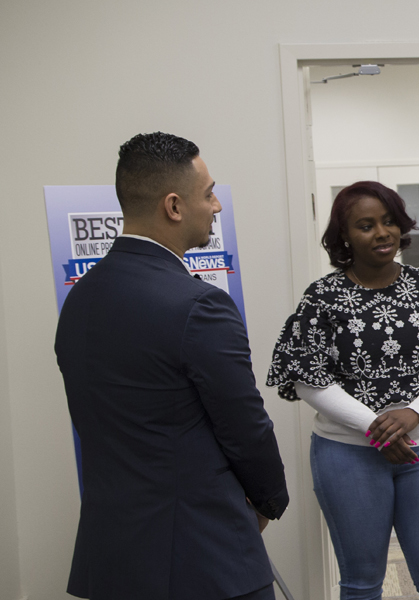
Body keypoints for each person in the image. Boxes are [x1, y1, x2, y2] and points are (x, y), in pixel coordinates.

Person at [54, 132, 290, 600]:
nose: (217, 206)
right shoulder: (201, 305)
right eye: (209, 193)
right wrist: (268, 502)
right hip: (203, 558)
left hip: (113, 559)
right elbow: (245, 426)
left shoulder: (79, 298)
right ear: (174, 206)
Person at [266, 180, 419, 600]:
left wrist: (412, 415)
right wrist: (375, 427)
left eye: (388, 222)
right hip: (347, 453)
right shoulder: (322, 297)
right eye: (365, 225)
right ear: (344, 234)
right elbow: (306, 375)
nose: (382, 233)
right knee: (361, 583)